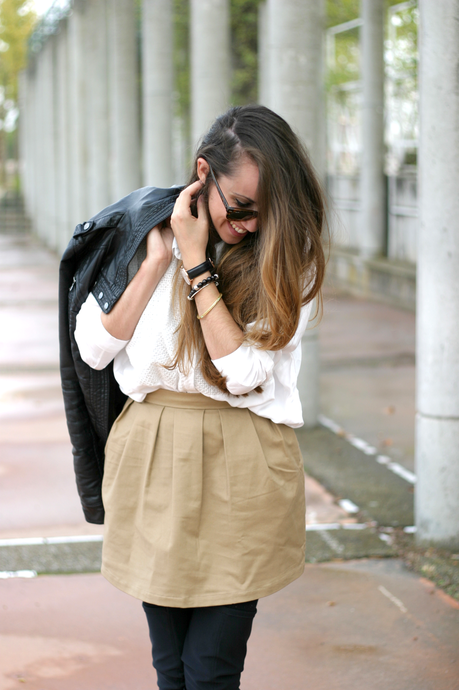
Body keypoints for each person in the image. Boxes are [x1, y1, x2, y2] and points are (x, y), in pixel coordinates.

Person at [73, 104, 325, 690]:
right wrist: (156, 260)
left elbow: (243, 372)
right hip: (153, 455)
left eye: (267, 213)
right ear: (203, 173)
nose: (253, 225)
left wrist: (195, 264)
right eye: (240, 208)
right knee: (170, 667)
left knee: (211, 669)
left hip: (244, 461)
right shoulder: (139, 231)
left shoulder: (288, 257)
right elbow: (92, 348)